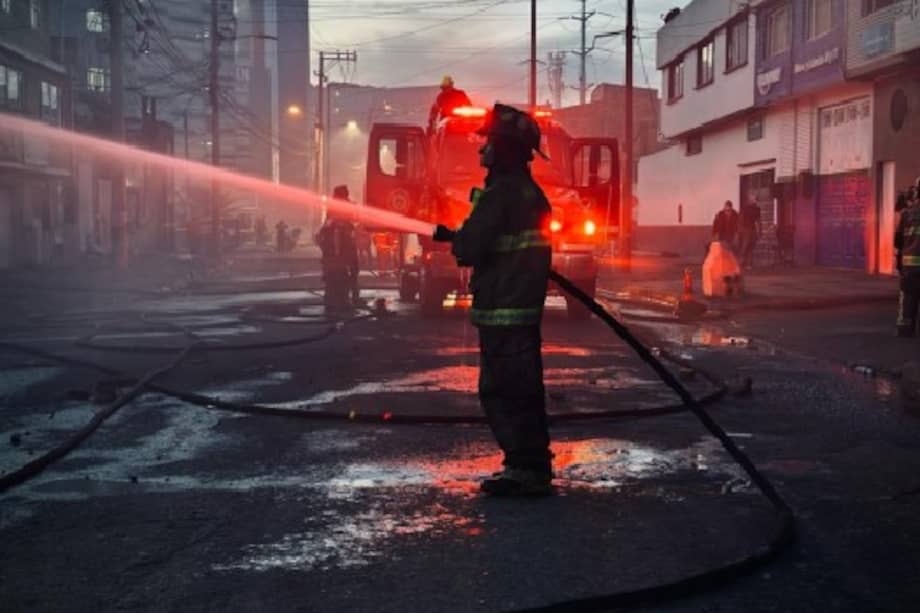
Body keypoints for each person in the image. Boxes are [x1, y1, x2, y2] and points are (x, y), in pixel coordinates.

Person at [432, 103, 554, 496]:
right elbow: (499, 240)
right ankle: (529, 465)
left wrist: (460, 240)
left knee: (505, 391)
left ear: (505, 149)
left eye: (488, 143)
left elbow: (472, 246)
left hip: (504, 307)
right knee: (523, 389)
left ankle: (525, 470)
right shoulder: (528, 194)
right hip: (519, 307)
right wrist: (459, 235)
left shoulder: (501, 194)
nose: (481, 149)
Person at [316, 187, 360, 308]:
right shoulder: (345, 207)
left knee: (341, 273)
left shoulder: (335, 208)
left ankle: (342, 297)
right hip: (341, 251)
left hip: (336, 252)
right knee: (351, 272)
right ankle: (352, 297)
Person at [895, 179, 920, 338]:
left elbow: (897, 241)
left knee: (909, 299)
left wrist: (900, 262)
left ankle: (905, 329)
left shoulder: (906, 214)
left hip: (910, 266)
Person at [739, 199, 762, 268]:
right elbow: (758, 221)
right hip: (748, 229)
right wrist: (759, 231)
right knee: (747, 247)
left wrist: (759, 231)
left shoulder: (754, 209)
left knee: (749, 246)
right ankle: (744, 263)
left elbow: (758, 221)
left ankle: (746, 263)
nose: (754, 201)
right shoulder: (753, 209)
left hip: (749, 229)